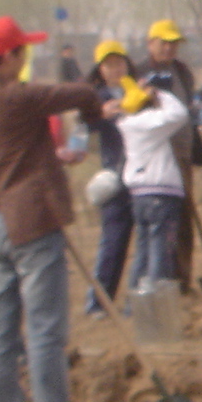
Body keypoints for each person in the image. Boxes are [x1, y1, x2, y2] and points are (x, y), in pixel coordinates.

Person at [0, 15, 104, 402]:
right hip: (30, 222)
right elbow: (79, 91)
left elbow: (12, 153)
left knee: (0, 328)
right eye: (22, 52)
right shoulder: (15, 97)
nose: (25, 60)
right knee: (44, 328)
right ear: (8, 57)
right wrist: (97, 107)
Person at [137, 18, 202, 292]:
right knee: (161, 220)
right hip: (156, 157)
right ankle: (159, 280)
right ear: (150, 43)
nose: (169, 48)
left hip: (183, 154)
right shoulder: (140, 73)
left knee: (185, 219)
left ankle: (183, 280)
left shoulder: (182, 71)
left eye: (173, 43)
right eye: (164, 43)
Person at [107, 75, 188, 296]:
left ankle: (134, 304)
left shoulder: (127, 124)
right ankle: (153, 302)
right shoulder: (147, 123)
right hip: (159, 193)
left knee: (143, 252)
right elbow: (179, 113)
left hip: (139, 196)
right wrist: (159, 93)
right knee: (159, 251)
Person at [78, 41, 135, 312]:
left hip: (143, 172)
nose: (115, 68)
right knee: (113, 241)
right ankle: (99, 303)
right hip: (114, 174)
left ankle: (137, 302)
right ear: (100, 69)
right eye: (109, 64)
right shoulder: (95, 96)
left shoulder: (137, 89)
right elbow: (82, 128)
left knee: (145, 242)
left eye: (119, 62)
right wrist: (100, 115)